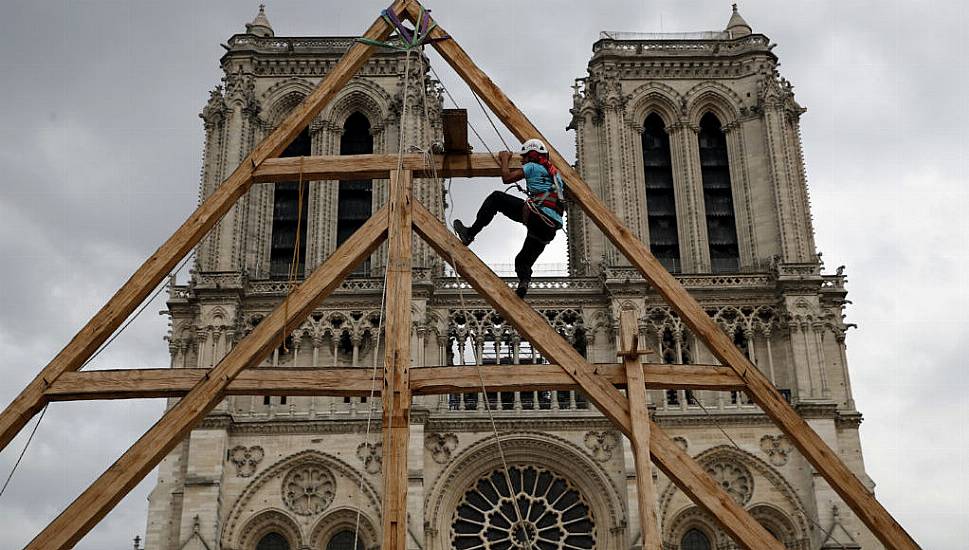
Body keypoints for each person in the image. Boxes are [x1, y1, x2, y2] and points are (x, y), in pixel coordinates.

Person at [452, 138, 566, 298]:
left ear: (530, 156)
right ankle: (523, 284)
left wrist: (504, 158)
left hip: (536, 215)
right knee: (522, 261)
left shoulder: (533, 166)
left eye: (523, 158)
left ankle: (470, 233)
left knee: (496, 198)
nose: (522, 161)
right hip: (549, 228)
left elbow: (506, 178)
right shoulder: (556, 176)